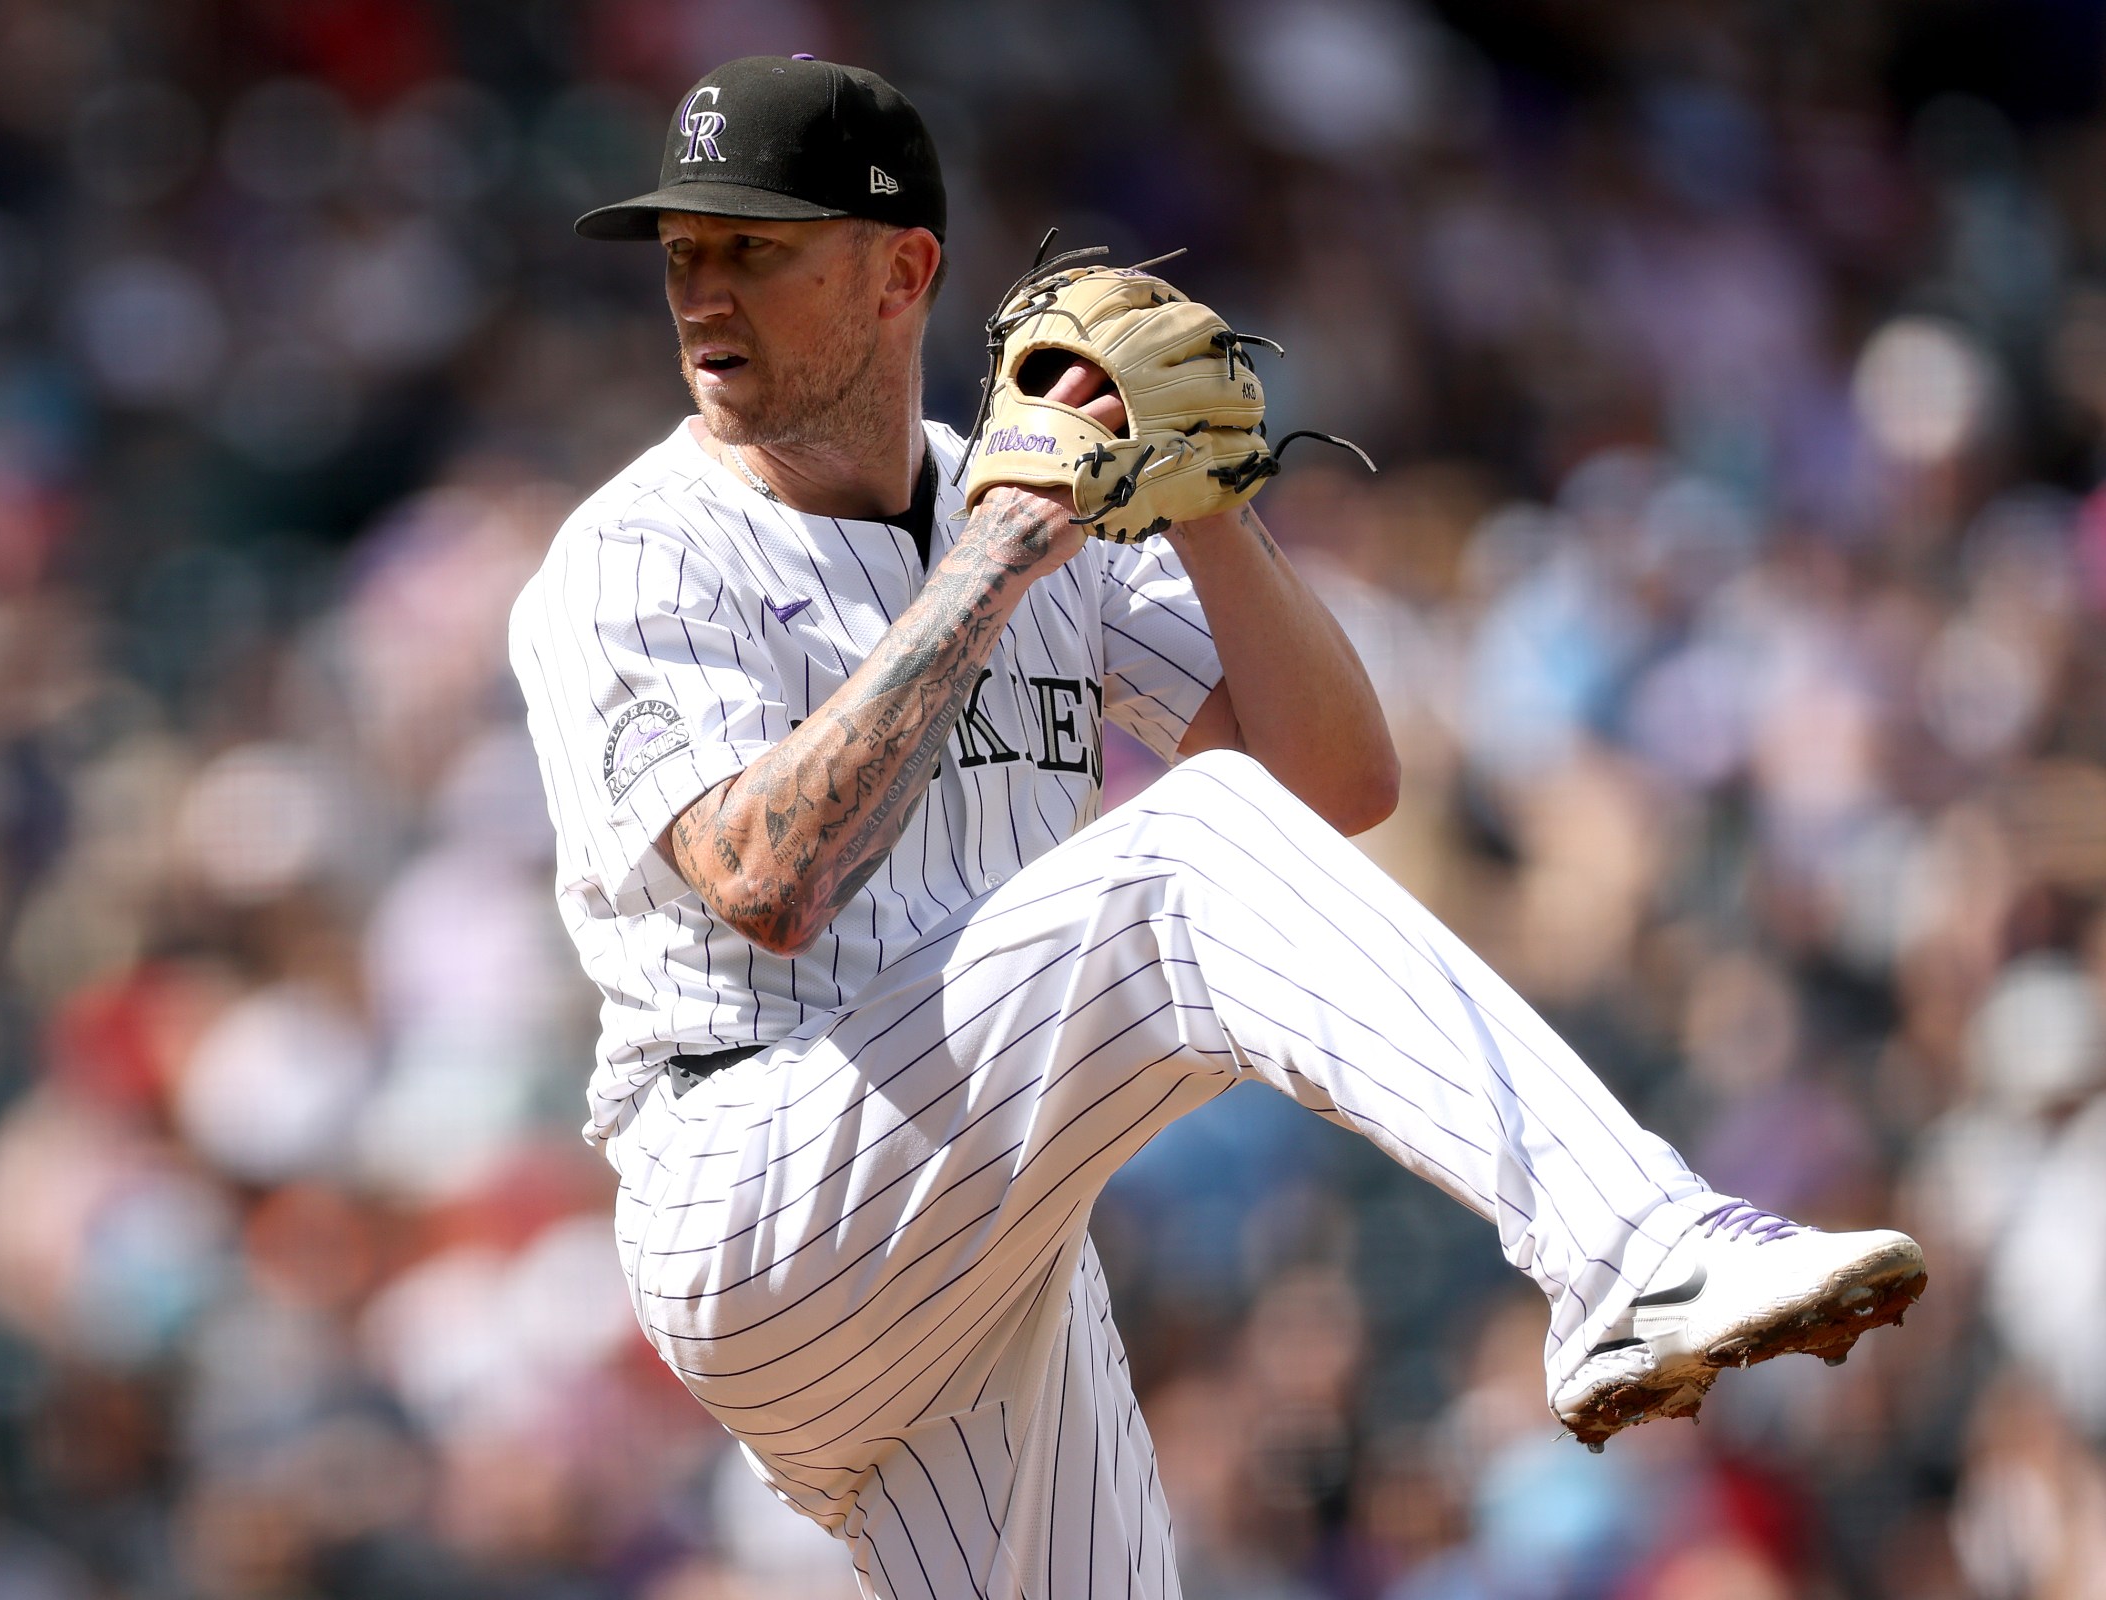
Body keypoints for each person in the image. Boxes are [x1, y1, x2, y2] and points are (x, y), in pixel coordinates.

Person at [507, 54, 1925, 1600]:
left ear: (901, 269)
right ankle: (1636, 1250)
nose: (702, 294)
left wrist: (1207, 507)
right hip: (755, 1180)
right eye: (683, 255)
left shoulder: (1018, 494)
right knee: (1183, 851)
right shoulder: (638, 557)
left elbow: (1337, 791)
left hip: (976, 1232)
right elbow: (764, 884)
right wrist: (991, 566)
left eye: (754, 249)